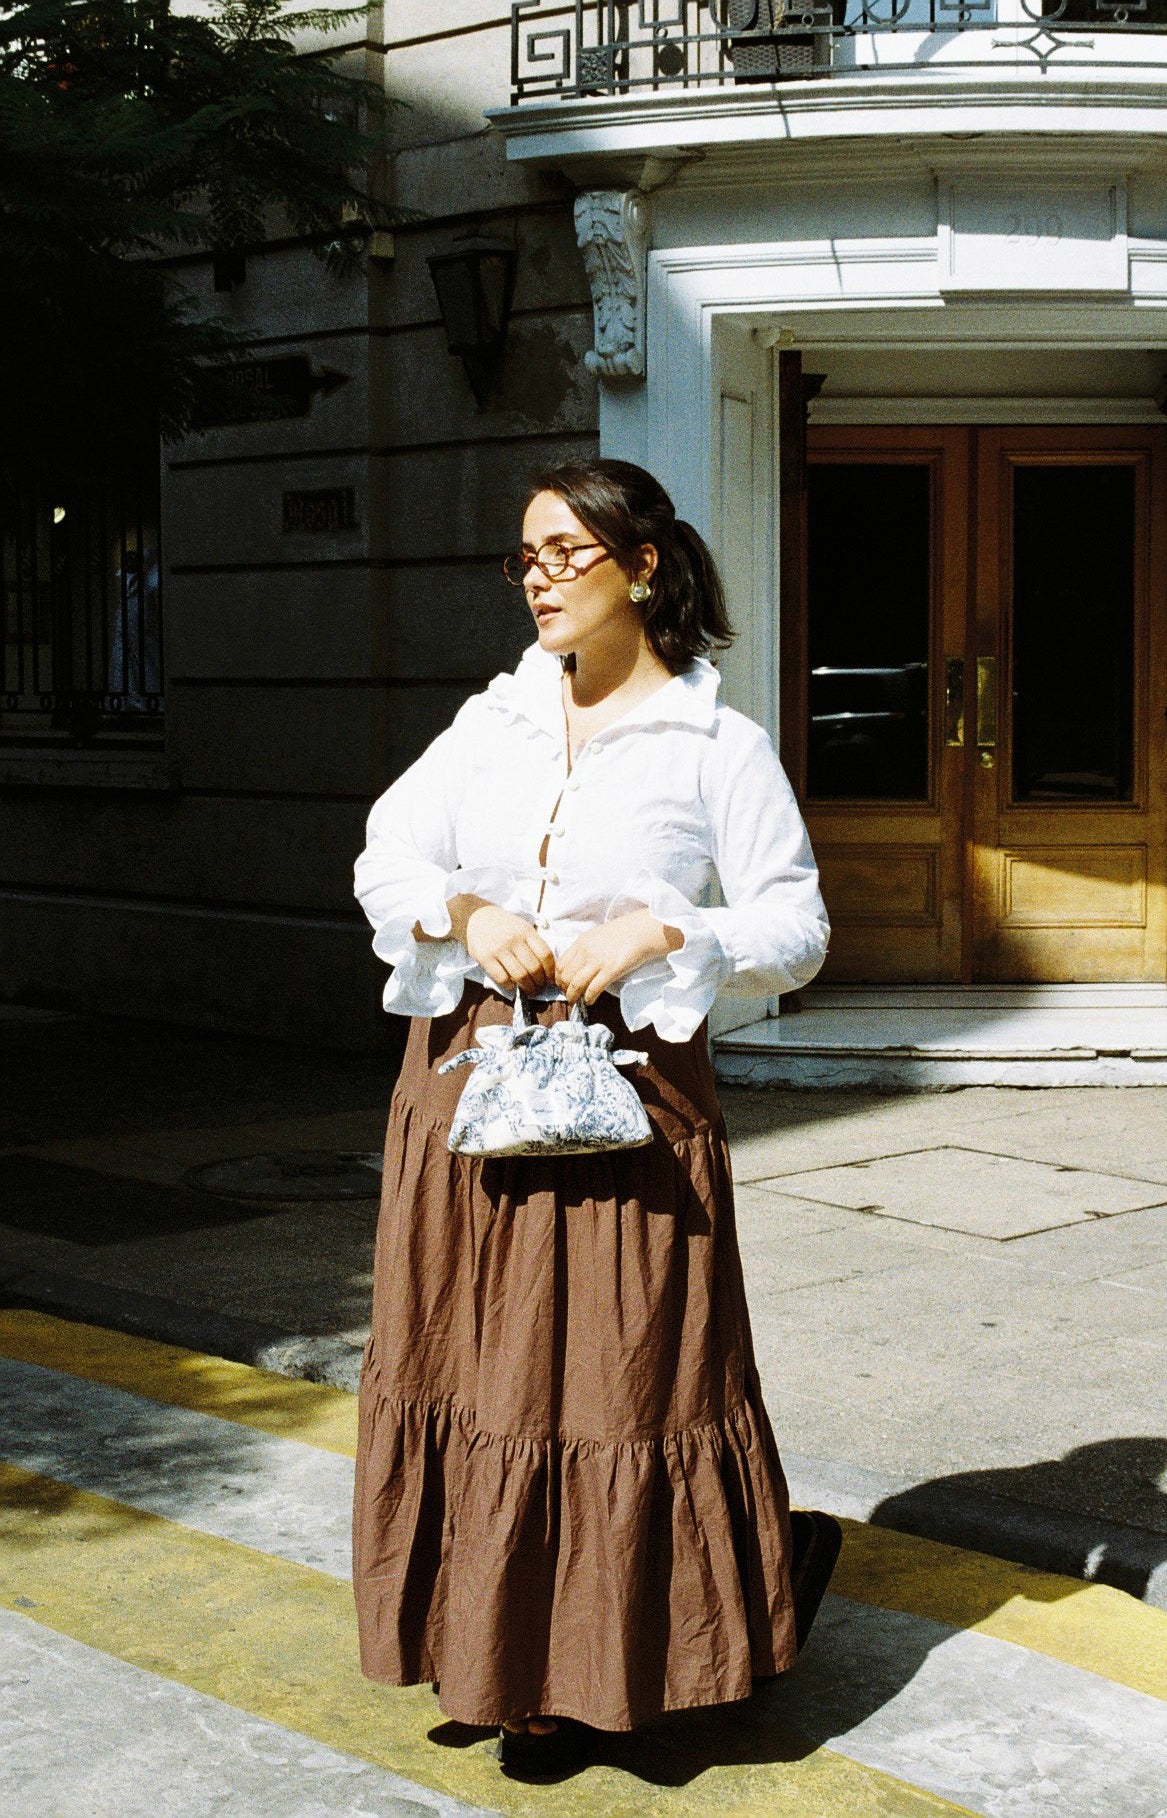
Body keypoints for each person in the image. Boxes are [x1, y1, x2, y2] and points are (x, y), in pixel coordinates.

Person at [350, 457, 833, 1777]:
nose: (542, 580)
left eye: (567, 552)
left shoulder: (716, 748)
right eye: (527, 556)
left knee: (621, 1382)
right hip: (469, 1093)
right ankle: (506, 1658)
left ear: (644, 566)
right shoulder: (490, 726)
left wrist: (674, 925)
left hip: (629, 1111)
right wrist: (470, 912)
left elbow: (798, 925)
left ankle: (614, 1664)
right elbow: (389, 855)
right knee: (482, 1377)